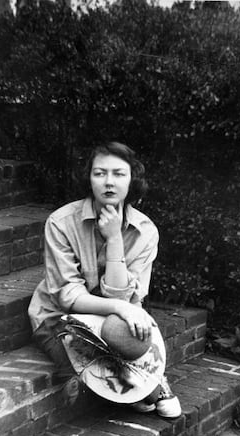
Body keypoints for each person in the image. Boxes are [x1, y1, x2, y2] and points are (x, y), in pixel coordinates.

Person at [28, 142, 181, 418]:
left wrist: (114, 240)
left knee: (128, 340)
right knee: (82, 378)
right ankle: (140, 385)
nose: (109, 182)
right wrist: (120, 308)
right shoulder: (61, 222)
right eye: (100, 173)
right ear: (89, 177)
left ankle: (149, 379)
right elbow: (68, 297)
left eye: (119, 174)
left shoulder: (145, 231)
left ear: (132, 179)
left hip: (113, 320)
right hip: (60, 316)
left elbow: (125, 300)